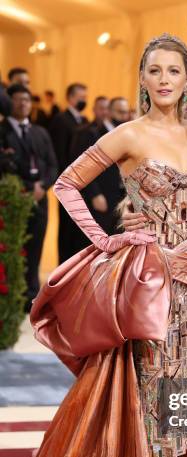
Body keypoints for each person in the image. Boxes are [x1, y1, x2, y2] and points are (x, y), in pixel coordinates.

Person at [15, 34, 187, 457]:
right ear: (142, 77)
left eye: (173, 70)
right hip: (151, 283)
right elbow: (66, 184)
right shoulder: (127, 134)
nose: (163, 79)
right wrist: (107, 237)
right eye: (154, 70)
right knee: (158, 400)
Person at [0, 84, 58, 308]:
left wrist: (42, 185)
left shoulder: (40, 132)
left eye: (26, 99)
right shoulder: (3, 132)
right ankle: (12, 298)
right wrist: (27, 186)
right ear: (9, 102)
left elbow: (53, 165)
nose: (23, 103)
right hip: (14, 201)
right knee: (14, 250)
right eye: (18, 100)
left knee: (36, 248)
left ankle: (31, 296)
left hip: (40, 199)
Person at [70, 96, 130, 236]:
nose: (124, 116)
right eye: (120, 112)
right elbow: (82, 168)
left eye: (126, 112)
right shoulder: (92, 134)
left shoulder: (126, 135)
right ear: (108, 112)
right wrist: (95, 194)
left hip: (121, 197)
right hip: (102, 196)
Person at [49, 83, 89, 263]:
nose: (84, 100)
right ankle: (62, 268)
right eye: (81, 97)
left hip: (83, 184)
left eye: (85, 97)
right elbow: (59, 153)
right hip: (69, 183)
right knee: (66, 229)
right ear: (70, 97)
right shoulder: (60, 120)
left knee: (78, 231)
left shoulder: (84, 120)